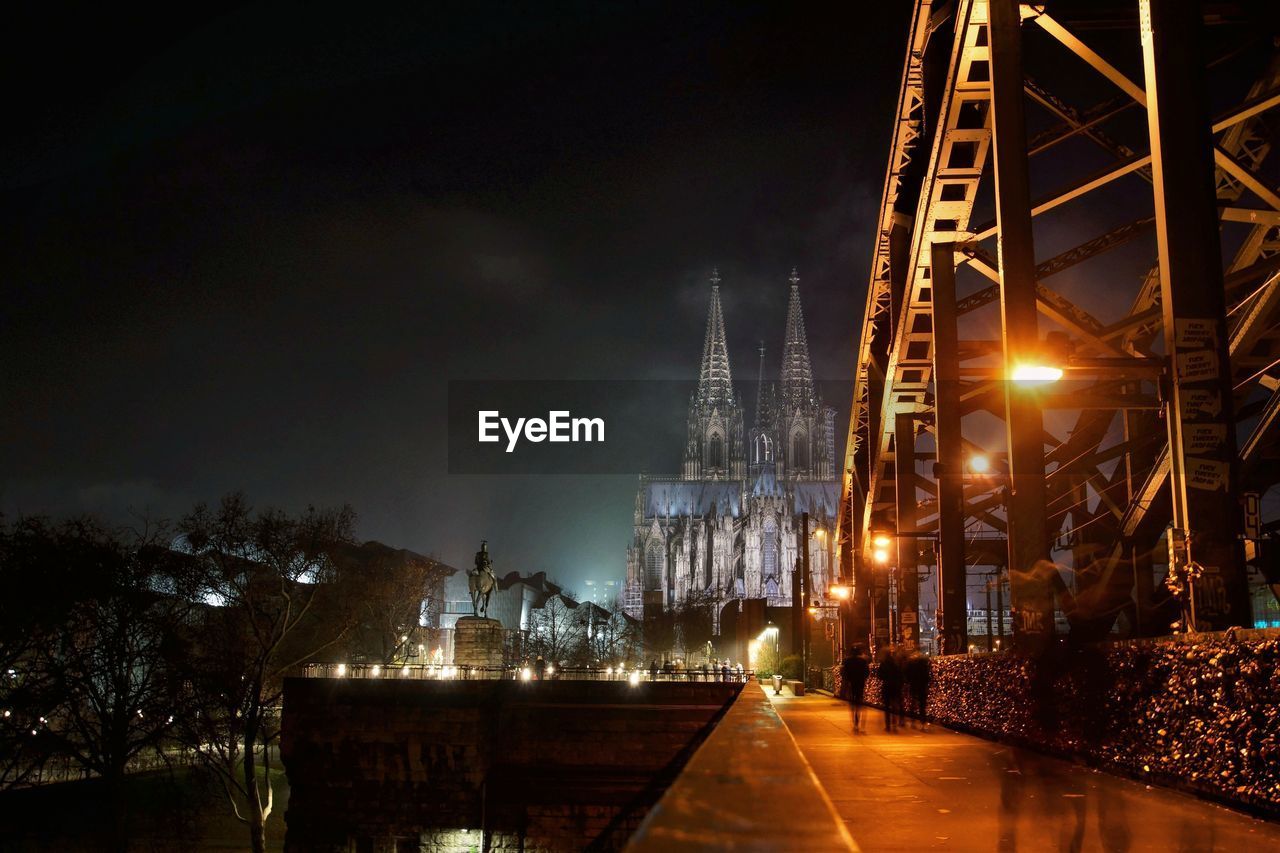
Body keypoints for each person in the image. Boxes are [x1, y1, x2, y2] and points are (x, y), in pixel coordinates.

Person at [840, 646, 871, 732]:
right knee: (859, 701)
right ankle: (858, 719)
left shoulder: (847, 661)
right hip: (860, 684)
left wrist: (847, 681)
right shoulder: (863, 661)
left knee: (852, 703)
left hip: (851, 684)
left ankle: (855, 722)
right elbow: (867, 672)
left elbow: (843, 673)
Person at [878, 648, 904, 732]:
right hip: (895, 686)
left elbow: (880, 675)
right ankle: (894, 723)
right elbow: (900, 674)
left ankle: (888, 725)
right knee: (894, 705)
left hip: (886, 686)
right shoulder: (895, 663)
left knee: (887, 706)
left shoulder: (883, 664)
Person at [904, 651, 931, 726]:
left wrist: (908, 681)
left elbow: (907, 674)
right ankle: (923, 721)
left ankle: (913, 720)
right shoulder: (924, 664)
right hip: (922, 686)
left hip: (914, 685)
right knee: (922, 705)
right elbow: (927, 676)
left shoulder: (911, 664)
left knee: (913, 703)